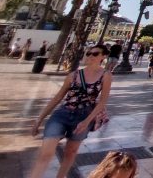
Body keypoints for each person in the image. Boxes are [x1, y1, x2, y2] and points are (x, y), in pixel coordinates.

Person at [29, 44, 113, 178]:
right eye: (89, 53)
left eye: (95, 54)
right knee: (46, 152)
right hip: (63, 113)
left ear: (103, 56)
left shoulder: (106, 75)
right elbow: (58, 97)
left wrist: (86, 121)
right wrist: (39, 119)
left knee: (71, 151)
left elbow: (102, 101)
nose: (91, 56)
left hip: (84, 115)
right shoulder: (73, 75)